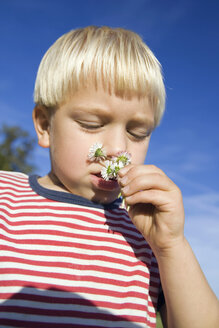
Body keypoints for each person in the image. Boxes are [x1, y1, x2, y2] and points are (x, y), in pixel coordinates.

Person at [0, 26, 218, 328]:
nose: (118, 149)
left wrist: (170, 246)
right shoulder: (5, 197)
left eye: (137, 132)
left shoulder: (147, 235)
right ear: (45, 126)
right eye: (91, 124)